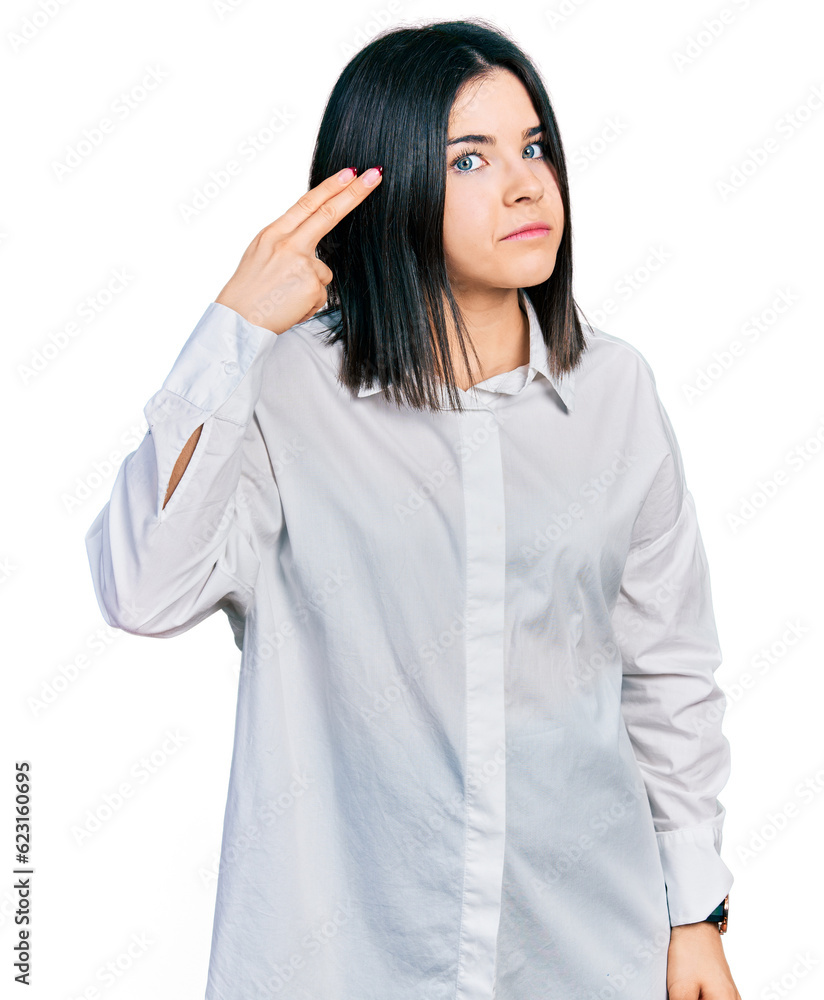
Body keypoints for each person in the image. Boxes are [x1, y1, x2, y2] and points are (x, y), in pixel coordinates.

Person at [85, 18, 742, 1000]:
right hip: (346, 958)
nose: (523, 184)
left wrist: (694, 917)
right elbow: (142, 587)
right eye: (468, 158)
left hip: (580, 950)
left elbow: (667, 665)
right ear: (378, 184)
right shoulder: (282, 389)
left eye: (532, 148)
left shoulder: (613, 392)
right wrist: (231, 329)